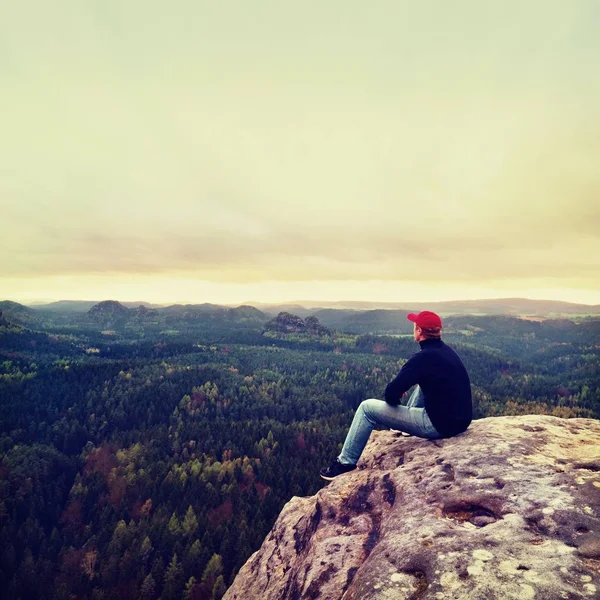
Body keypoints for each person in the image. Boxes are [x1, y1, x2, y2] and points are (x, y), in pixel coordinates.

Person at [320, 310, 472, 480]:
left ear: (419, 331)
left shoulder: (422, 358)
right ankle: (407, 426)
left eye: (415, 326)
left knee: (366, 408)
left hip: (438, 425)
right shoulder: (447, 351)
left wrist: (397, 394)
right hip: (461, 421)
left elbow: (390, 395)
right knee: (426, 383)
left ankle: (345, 463)